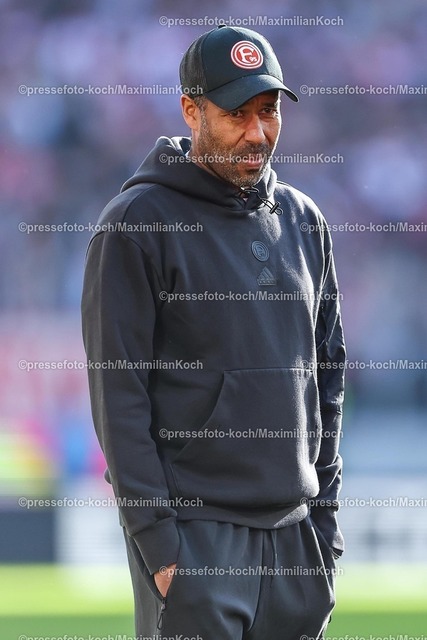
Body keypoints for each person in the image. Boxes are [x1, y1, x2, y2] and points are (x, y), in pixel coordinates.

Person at [81, 25, 346, 640]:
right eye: (236, 114)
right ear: (191, 110)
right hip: (197, 544)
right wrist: (162, 549)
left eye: (269, 111)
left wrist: (324, 530)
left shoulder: (306, 222)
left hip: (296, 546)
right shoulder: (136, 225)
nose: (257, 132)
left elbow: (328, 385)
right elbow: (118, 402)